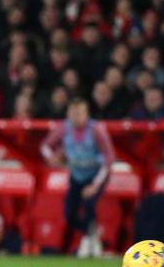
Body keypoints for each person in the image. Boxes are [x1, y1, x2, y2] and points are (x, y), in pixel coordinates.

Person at [40, 98, 116, 257]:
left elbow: (108, 159)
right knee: (69, 213)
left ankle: (89, 243)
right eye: (73, 113)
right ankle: (91, 234)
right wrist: (52, 157)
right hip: (76, 174)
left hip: (96, 174)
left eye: (79, 113)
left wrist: (95, 185)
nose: (76, 117)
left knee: (89, 204)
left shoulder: (96, 130)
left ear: (86, 114)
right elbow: (45, 146)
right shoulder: (63, 128)